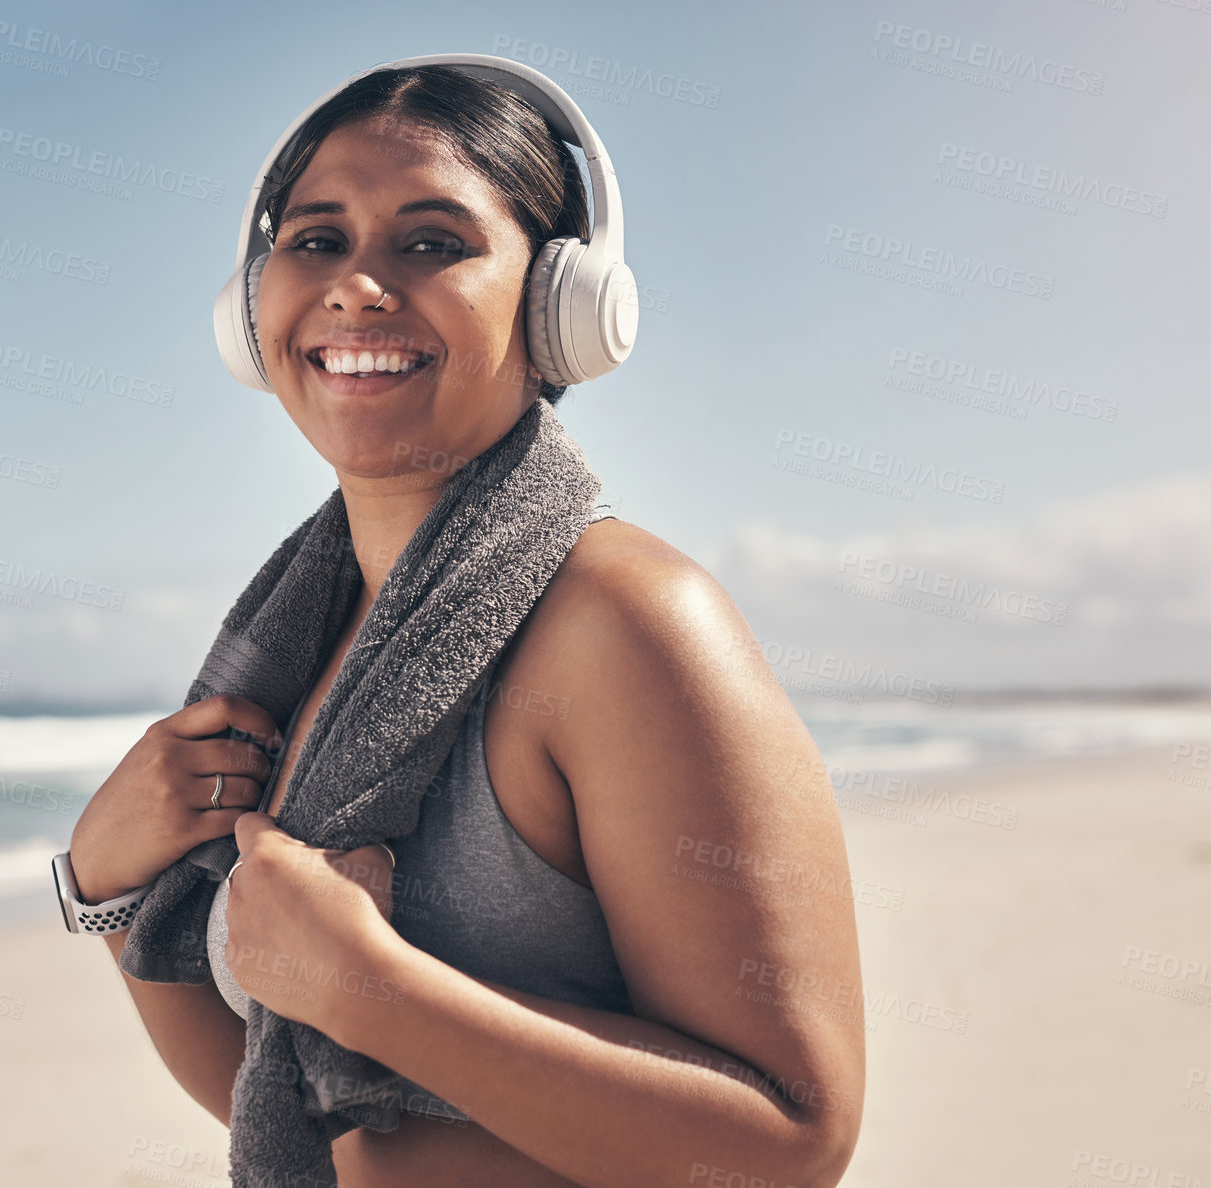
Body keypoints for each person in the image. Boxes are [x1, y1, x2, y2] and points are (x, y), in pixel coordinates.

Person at [70, 64, 865, 1187]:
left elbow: (789, 1145)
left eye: (431, 244)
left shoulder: (630, 622)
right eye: (313, 241)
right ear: (250, 313)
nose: (356, 288)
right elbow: (292, 1103)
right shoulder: (303, 648)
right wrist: (107, 897)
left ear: (560, 310)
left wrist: (378, 993)